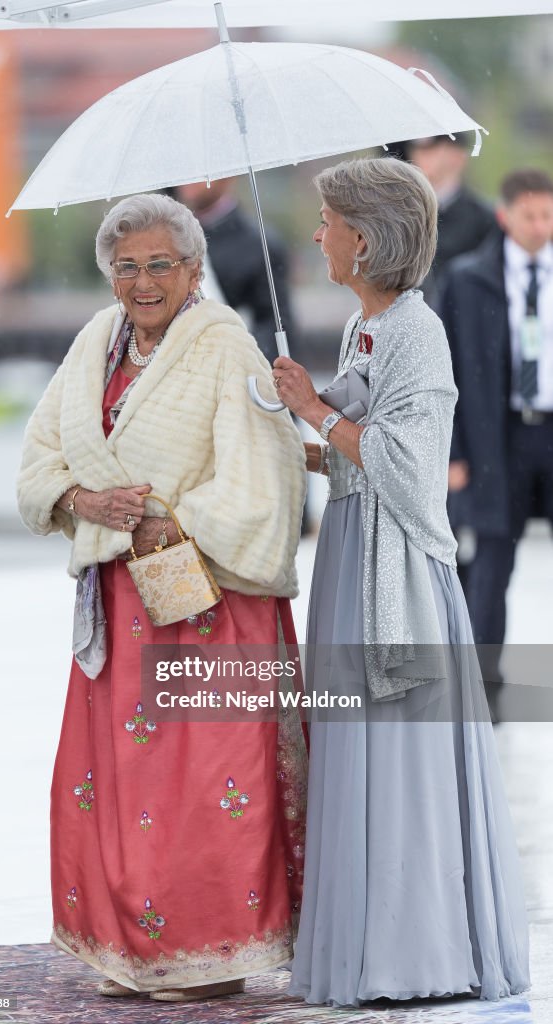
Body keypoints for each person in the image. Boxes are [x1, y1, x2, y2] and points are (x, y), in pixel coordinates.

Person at [17, 194, 308, 1003]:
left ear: (193, 269)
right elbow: (38, 460)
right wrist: (83, 500)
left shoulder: (225, 347)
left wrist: (165, 519)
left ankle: (210, 953)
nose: (141, 281)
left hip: (208, 599)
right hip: (119, 600)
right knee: (119, 785)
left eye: (158, 265)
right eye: (125, 266)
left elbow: (265, 474)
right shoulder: (91, 347)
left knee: (203, 782)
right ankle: (130, 951)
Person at [272, 157, 530, 1006]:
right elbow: (354, 456)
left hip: (398, 574)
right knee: (355, 747)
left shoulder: (419, 330)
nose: (317, 234)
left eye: (326, 219)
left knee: (401, 754)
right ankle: (368, 945)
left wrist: (318, 413)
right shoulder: (362, 329)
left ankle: (411, 956)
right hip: (353, 552)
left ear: (366, 235)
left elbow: (410, 473)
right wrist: (286, 439)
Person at [441, 169, 553, 692]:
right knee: (492, 555)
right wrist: (454, 450)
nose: (540, 225)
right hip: (498, 434)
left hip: (548, 426)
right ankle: (482, 674)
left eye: (548, 215)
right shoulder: (469, 278)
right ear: (505, 216)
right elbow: (449, 372)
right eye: (529, 215)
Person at [175, 178, 297, 363]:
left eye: (200, 171)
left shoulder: (260, 243)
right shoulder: (169, 236)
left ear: (227, 176)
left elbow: (274, 324)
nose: (189, 177)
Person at [404, 134, 496, 310]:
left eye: (432, 150)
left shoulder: (484, 220)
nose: (421, 156)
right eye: (419, 150)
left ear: (457, 157)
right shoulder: (402, 216)